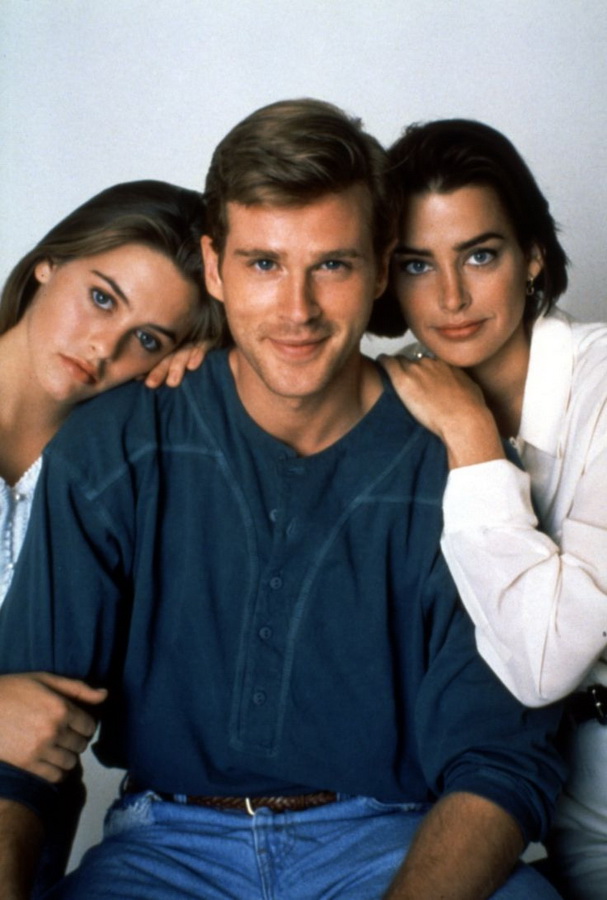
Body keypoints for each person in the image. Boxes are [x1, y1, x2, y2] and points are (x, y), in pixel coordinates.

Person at [0, 99, 565, 900]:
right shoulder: (112, 446)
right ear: (214, 267)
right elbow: (19, 754)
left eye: (331, 265)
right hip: (163, 849)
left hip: (397, 841)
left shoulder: (461, 462)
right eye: (263, 264)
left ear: (378, 266)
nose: (296, 311)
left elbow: (502, 762)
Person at [375, 119, 607, 900]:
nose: (450, 297)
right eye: (416, 264)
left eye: (479, 255)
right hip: (551, 796)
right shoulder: (397, 395)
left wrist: (471, 435)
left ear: (532, 254)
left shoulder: (600, 386)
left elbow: (544, 662)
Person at [0, 178, 225, 890]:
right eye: (101, 298)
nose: (104, 345)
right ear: (49, 263)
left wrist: (217, 373)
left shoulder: (123, 469)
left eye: (147, 339)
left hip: (26, 827)